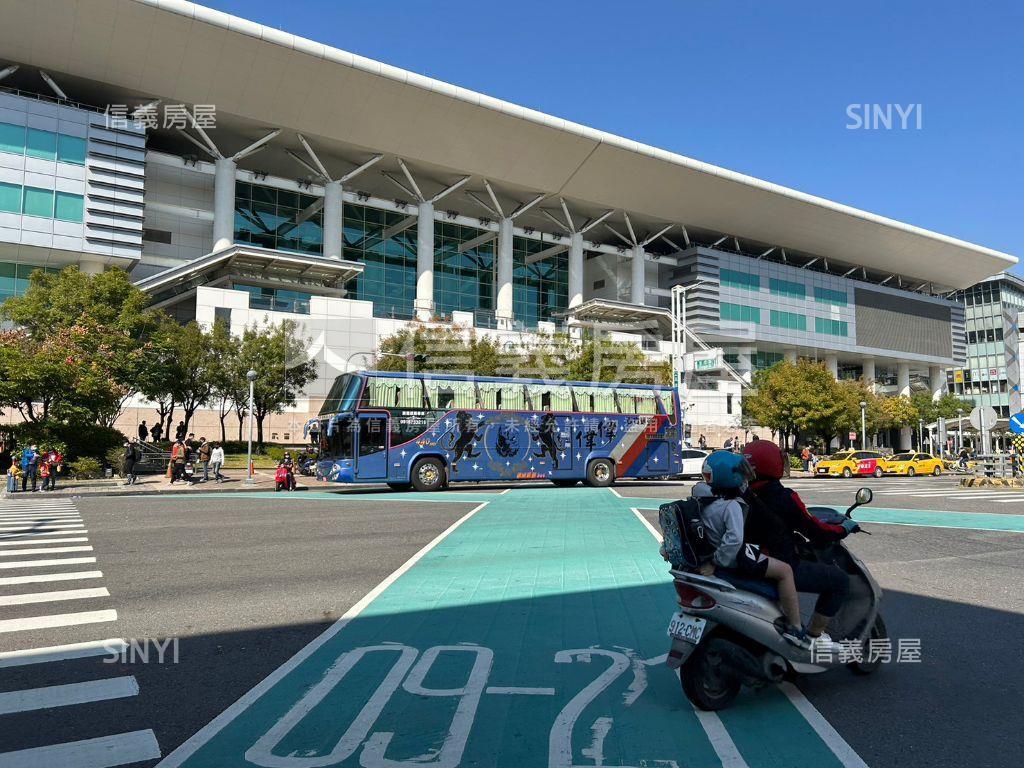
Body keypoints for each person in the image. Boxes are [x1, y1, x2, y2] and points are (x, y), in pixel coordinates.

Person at [693, 451, 812, 649]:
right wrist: (717, 562)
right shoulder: (731, 505)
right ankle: (795, 627)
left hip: (711, 553)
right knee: (785, 571)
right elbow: (734, 540)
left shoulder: (700, 497)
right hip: (732, 559)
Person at [742, 440, 854, 648]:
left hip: (745, 560)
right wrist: (843, 529)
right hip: (776, 561)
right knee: (839, 581)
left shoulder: (740, 493)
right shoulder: (783, 496)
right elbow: (815, 531)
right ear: (773, 462)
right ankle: (813, 637)